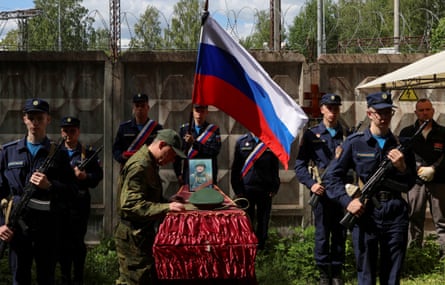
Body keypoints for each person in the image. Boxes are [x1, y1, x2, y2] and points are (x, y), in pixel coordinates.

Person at [324, 92, 417, 285]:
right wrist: (348, 202)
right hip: (366, 213)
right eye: (378, 113)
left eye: (387, 112)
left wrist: (402, 168)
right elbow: (332, 178)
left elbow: (409, 183)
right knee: (365, 271)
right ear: (369, 113)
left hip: (395, 213)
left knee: (392, 273)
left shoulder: (401, 145)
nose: (383, 117)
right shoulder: (355, 142)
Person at [0, 98, 76, 285]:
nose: (35, 123)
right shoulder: (8, 152)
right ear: (24, 119)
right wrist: (1, 224)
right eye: (31, 118)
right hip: (17, 228)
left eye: (39, 118)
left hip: (48, 229)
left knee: (46, 278)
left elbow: (72, 192)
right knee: (19, 279)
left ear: (48, 120)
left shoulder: (58, 154)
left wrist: (50, 185)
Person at [115, 129, 188, 285]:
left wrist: (167, 201)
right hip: (133, 238)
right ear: (162, 144)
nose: (173, 159)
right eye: (172, 153)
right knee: (134, 280)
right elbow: (130, 205)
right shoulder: (140, 166)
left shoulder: (150, 163)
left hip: (141, 235)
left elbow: (147, 197)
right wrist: (167, 207)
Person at [294, 93, 348, 285]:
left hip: (341, 193)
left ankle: (337, 272)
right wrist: (312, 184)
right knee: (322, 234)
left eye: (336, 108)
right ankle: (324, 273)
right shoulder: (311, 135)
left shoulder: (347, 134)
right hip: (322, 192)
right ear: (322, 109)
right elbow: (299, 165)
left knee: (340, 233)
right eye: (329, 108)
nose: (333, 112)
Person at [58, 116, 104, 285]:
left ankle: (78, 278)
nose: (69, 134)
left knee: (77, 243)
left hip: (79, 204)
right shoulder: (55, 152)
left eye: (72, 131)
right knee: (62, 244)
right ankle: (64, 278)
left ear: (78, 131)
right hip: (61, 204)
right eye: (65, 131)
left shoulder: (87, 153)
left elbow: (98, 176)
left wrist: (85, 176)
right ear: (61, 132)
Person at [399, 98, 445, 254]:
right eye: (421, 110)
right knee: (415, 218)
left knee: (441, 220)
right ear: (415, 112)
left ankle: (443, 255)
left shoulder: (442, 132)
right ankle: (415, 254)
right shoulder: (407, 132)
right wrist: (418, 168)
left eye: (427, 110)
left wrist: (434, 168)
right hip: (415, 183)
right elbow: (404, 154)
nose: (425, 113)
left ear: (433, 111)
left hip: (439, 182)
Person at [231, 132, 280, 250]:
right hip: (246, 188)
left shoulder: (270, 142)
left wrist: (274, 187)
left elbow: (274, 168)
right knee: (247, 220)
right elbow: (236, 168)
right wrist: (237, 189)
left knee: (263, 221)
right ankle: (247, 248)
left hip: (265, 189)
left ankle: (261, 248)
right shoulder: (241, 142)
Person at [173, 104, 221, 186]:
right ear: (193, 111)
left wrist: (194, 143)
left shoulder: (213, 130)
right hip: (189, 174)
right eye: (197, 111)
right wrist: (178, 174)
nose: (199, 114)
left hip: (207, 173)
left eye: (202, 111)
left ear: (207, 112)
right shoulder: (184, 129)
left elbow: (214, 151)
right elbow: (177, 153)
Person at [112, 93, 163, 167]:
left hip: (149, 169)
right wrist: (122, 157)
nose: (140, 109)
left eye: (142, 106)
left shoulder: (157, 128)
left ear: (148, 107)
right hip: (129, 168)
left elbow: (161, 149)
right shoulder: (124, 127)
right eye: (137, 106)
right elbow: (116, 149)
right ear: (133, 108)